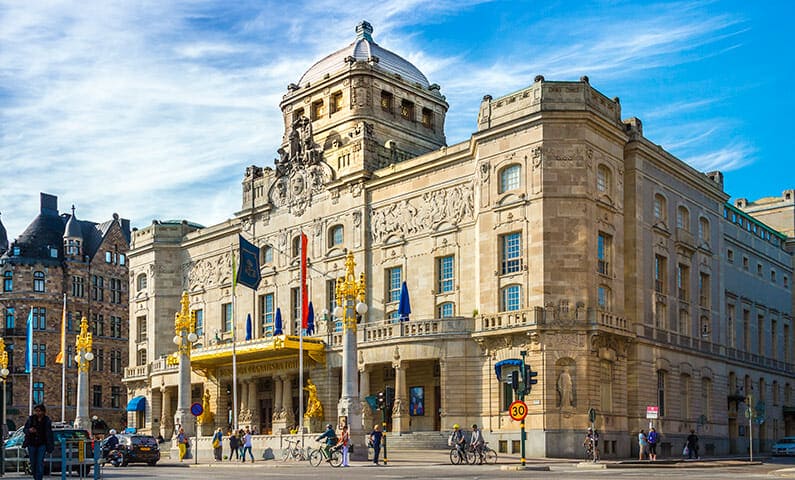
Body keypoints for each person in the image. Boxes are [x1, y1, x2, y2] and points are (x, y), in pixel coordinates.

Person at [23, 404, 54, 480]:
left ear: (43, 412)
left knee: (39, 462)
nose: (37, 413)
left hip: (42, 444)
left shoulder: (46, 420)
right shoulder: (31, 419)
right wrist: (29, 430)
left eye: (39, 411)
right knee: (33, 462)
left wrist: (50, 445)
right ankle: (35, 477)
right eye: (36, 411)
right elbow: (25, 429)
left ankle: (39, 478)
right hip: (32, 443)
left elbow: (49, 433)